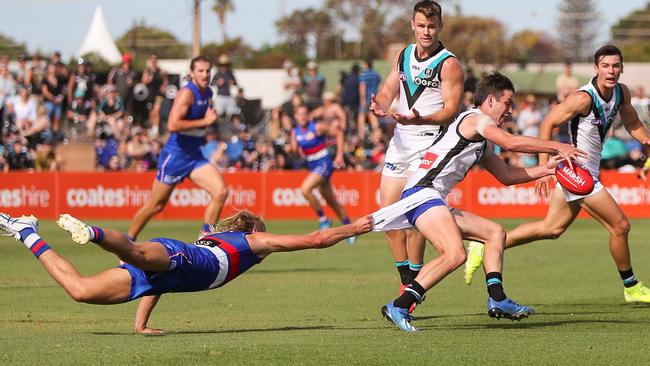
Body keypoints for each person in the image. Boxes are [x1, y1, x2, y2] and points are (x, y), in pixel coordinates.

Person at [371, 72, 585, 332]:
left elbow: (506, 176)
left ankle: (497, 298)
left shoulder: (481, 139)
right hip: (422, 193)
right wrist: (556, 146)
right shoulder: (476, 120)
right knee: (455, 254)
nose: (510, 110)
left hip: (430, 196)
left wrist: (548, 170)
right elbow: (510, 141)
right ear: (491, 100)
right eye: (508, 102)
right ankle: (401, 305)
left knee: (495, 233)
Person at [465, 45, 650, 304]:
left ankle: (485, 246)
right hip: (577, 171)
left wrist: (646, 139)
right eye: (605, 66)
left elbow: (632, 122)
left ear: (621, 68)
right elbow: (547, 123)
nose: (611, 71)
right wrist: (544, 170)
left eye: (616, 66)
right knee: (620, 225)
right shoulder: (583, 98)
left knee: (552, 228)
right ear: (596, 69)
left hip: (588, 170)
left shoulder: (621, 93)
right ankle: (631, 287)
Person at [0, 211, 373, 333]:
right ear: (254, 231)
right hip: (183, 257)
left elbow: (160, 287)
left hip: (170, 275)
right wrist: (355, 228)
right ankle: (92, 232)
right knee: (135, 252)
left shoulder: (223, 239)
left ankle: (25, 230)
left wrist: (140, 324)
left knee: (79, 290)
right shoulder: (253, 242)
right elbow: (314, 239)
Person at [369, 0, 464, 311]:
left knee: (414, 218)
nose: (426, 31)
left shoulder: (449, 64)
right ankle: (407, 277)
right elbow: (388, 88)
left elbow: (451, 110)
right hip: (400, 142)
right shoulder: (404, 55)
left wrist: (420, 118)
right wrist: (380, 104)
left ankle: (412, 285)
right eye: (421, 26)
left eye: (432, 26)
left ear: (440, 27)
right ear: (413, 25)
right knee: (387, 215)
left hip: (429, 144)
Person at [127, 56, 229, 331]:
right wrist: (203, 123)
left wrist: (207, 127)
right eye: (201, 70)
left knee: (221, 191)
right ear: (192, 72)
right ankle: (127, 241)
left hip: (195, 156)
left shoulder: (208, 92)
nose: (205, 74)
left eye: (208, 70)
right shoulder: (187, 93)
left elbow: (200, 125)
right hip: (175, 156)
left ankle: (205, 235)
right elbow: (172, 124)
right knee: (156, 206)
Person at [290, 104, 355, 244]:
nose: (302, 117)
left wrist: (339, 156)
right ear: (295, 117)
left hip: (324, 163)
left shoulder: (317, 127)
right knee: (331, 201)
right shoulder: (295, 132)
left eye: (304, 114)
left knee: (305, 189)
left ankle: (323, 219)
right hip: (312, 166)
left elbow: (338, 132)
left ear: (308, 115)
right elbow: (295, 150)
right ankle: (350, 231)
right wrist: (291, 147)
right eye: (299, 114)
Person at [358, 59, 381, 138]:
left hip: (366, 98)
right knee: (373, 116)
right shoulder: (376, 75)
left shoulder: (363, 75)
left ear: (366, 65)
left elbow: (362, 87)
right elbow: (379, 86)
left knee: (361, 116)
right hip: (374, 98)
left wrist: (362, 99)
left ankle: (361, 135)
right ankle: (376, 135)